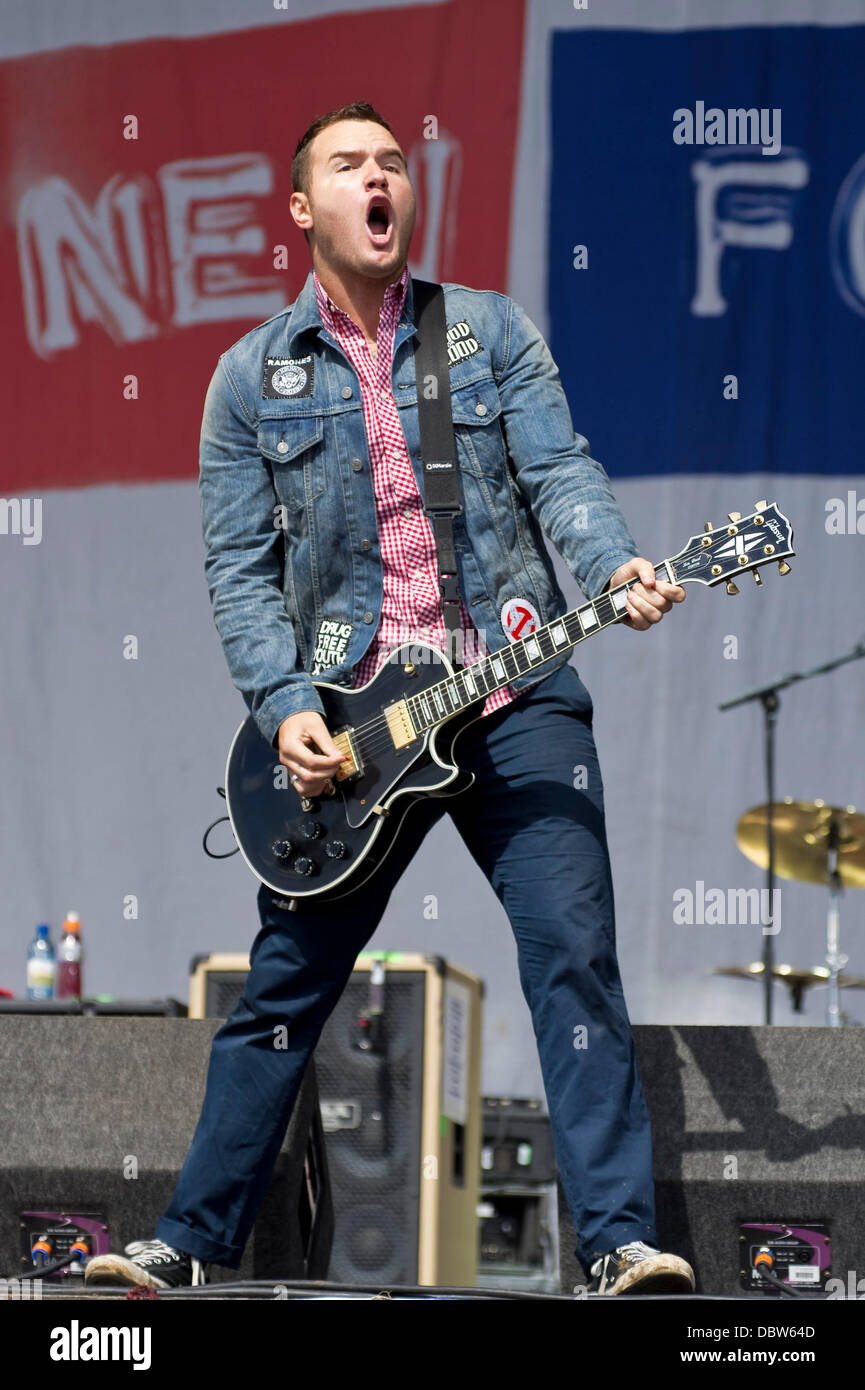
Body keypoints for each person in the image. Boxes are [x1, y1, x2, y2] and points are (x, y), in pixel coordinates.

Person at [85, 101, 694, 1298]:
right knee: (283, 986)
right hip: (360, 732)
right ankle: (188, 1244)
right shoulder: (248, 378)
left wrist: (613, 560)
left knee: (574, 956)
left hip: (511, 689)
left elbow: (559, 468)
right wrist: (280, 703)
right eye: (351, 165)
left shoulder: (483, 332)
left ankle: (619, 1244)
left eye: (395, 165)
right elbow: (236, 568)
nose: (381, 180)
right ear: (303, 209)